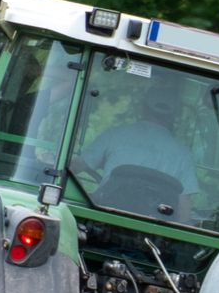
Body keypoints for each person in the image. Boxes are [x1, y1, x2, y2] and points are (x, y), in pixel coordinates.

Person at [76, 68, 201, 216]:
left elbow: (74, 168)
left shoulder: (115, 135)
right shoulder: (183, 154)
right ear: (175, 116)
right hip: (155, 227)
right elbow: (184, 207)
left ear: (142, 108)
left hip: (103, 215)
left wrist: (86, 197)